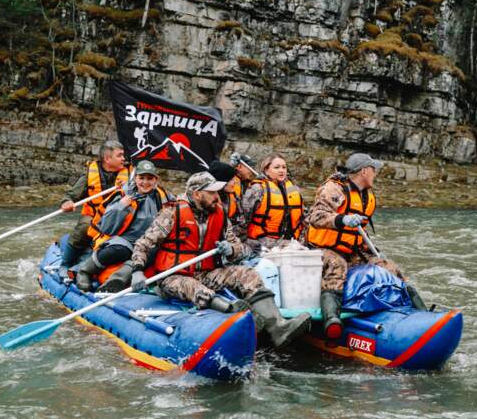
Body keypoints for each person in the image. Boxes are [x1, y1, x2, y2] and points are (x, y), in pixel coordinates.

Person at [123, 171, 310, 348]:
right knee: (195, 287)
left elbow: (240, 249)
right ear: (197, 194)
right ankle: (235, 313)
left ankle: (277, 327)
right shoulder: (172, 213)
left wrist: (230, 250)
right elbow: (143, 244)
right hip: (172, 277)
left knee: (248, 274)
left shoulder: (219, 213)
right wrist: (138, 270)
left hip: (206, 272)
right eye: (211, 192)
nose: (217, 196)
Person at [304, 152, 405, 339]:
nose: (376, 173)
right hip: (322, 248)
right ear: (365, 171)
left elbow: (360, 230)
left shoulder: (366, 194)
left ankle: (411, 310)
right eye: (374, 169)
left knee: (388, 267)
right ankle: (331, 320)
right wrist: (343, 219)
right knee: (337, 265)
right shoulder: (334, 189)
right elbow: (315, 217)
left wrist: (371, 251)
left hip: (352, 249)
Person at [73, 160, 173, 292]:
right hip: (125, 239)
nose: (145, 182)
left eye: (150, 178)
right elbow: (106, 226)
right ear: (135, 178)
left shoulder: (164, 196)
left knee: (147, 255)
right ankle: (84, 271)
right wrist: (121, 206)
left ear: (156, 180)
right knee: (118, 250)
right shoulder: (123, 194)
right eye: (141, 178)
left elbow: (179, 208)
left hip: (148, 243)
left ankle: (116, 281)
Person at [57, 140, 130, 278]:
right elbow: (72, 195)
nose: (123, 159)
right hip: (93, 217)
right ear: (107, 158)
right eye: (119, 155)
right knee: (85, 226)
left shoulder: (130, 175)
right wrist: (67, 202)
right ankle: (66, 263)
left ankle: (88, 265)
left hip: (117, 218)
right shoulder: (90, 175)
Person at [240, 154, 304, 252]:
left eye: (284, 167)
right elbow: (244, 218)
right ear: (266, 170)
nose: (281, 170)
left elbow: (303, 217)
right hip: (261, 243)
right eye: (276, 167)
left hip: (290, 243)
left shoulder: (294, 189)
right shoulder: (257, 188)